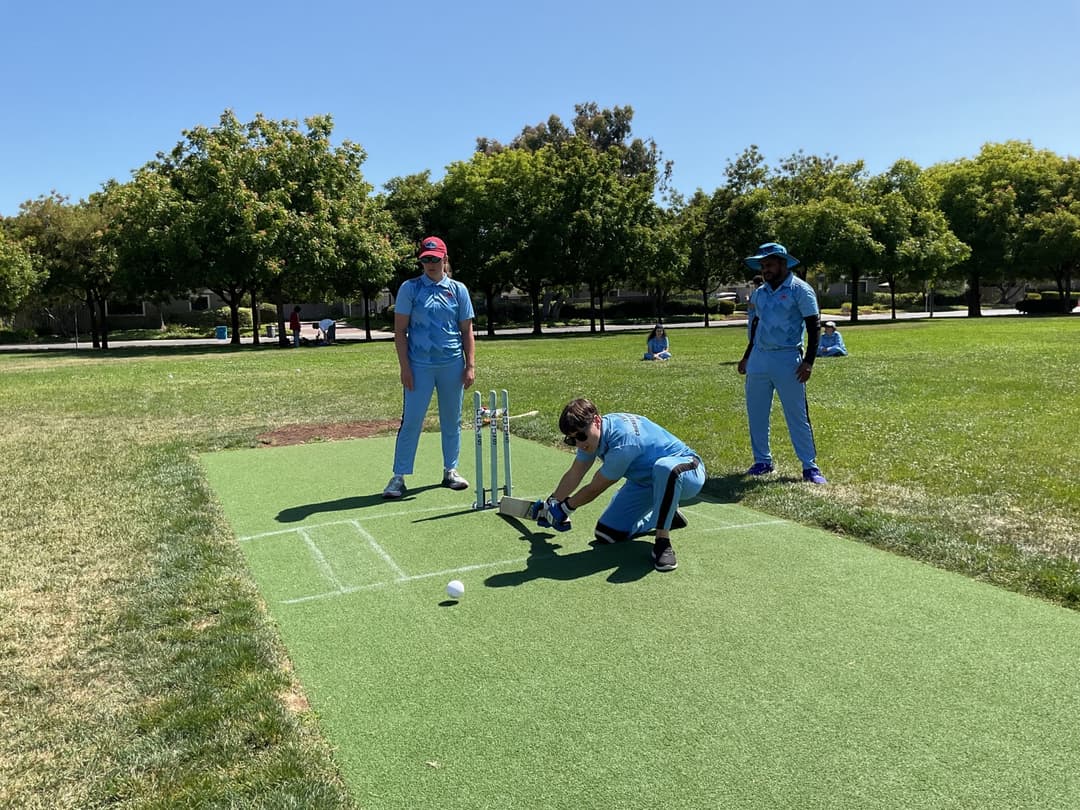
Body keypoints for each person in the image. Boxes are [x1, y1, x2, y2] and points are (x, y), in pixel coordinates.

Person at [533, 398, 705, 572]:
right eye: (571, 440)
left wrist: (564, 509)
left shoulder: (623, 442)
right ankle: (665, 513)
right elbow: (575, 473)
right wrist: (552, 503)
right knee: (607, 533)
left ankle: (662, 541)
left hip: (686, 472)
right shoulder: (592, 439)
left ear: (597, 421)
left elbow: (596, 487)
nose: (578, 443)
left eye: (581, 436)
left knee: (664, 468)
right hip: (645, 483)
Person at [383, 236, 476, 499]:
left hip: (452, 365)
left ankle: (451, 470)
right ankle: (399, 477)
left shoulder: (458, 290)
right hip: (419, 366)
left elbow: (466, 331)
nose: (430, 264)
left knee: (452, 419)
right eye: (426, 259)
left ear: (445, 260)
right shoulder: (410, 289)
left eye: (435, 259)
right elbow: (400, 332)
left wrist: (470, 365)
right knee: (412, 421)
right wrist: (405, 368)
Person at [737, 242, 827, 484]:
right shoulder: (759, 293)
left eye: (769, 264)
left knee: (797, 414)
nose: (765, 269)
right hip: (759, 358)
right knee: (756, 412)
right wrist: (747, 355)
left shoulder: (801, 290)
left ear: (783, 263)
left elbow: (813, 326)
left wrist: (808, 361)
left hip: (788, 358)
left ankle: (810, 467)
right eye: (762, 265)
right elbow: (755, 325)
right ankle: (762, 461)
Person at [745, 275, 764, 340]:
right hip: (762, 318)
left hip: (754, 318)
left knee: (752, 338)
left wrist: (747, 300)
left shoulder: (757, 292)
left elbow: (752, 306)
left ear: (755, 283)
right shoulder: (765, 291)